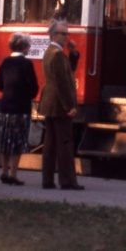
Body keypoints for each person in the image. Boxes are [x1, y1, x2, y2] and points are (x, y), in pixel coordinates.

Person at [41, 20, 83, 190]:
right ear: (53, 35)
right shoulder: (57, 54)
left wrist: (73, 53)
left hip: (50, 104)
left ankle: (48, 180)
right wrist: (69, 106)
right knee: (65, 144)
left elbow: (68, 70)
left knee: (50, 145)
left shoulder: (52, 52)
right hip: (59, 106)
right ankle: (67, 181)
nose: (66, 37)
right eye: (63, 34)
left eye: (67, 33)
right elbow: (62, 83)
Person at [0, 33, 39, 186]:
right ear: (24, 47)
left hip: (5, 106)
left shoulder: (5, 62)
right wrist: (28, 94)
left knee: (5, 141)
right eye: (29, 46)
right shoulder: (27, 64)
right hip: (21, 108)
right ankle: (14, 174)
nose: (29, 48)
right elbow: (33, 87)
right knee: (17, 142)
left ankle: (3, 171)